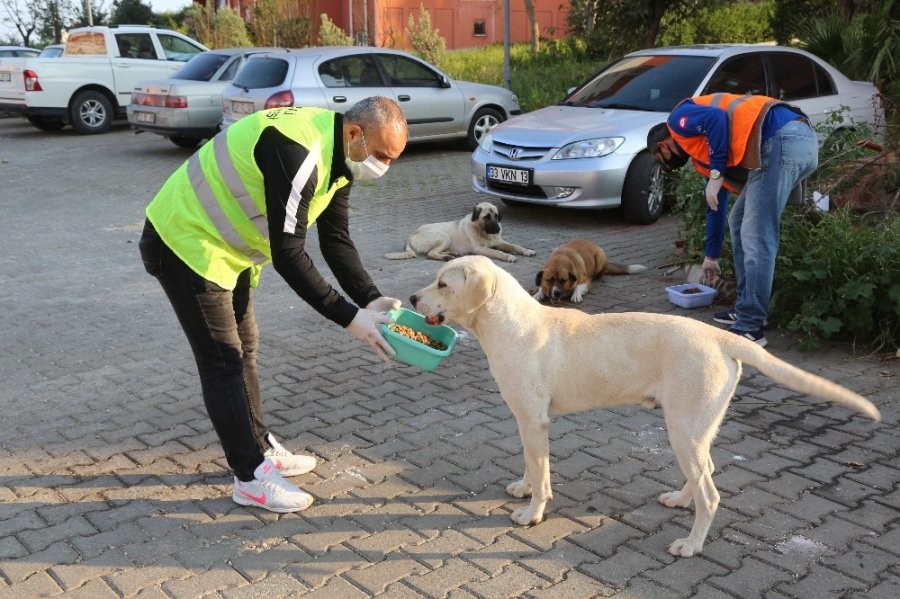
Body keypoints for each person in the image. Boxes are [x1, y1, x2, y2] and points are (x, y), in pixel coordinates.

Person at [139, 97, 409, 512]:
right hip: (184, 244)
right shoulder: (299, 151)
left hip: (227, 251)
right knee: (223, 360)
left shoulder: (342, 157)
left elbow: (335, 239)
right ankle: (248, 477)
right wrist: (350, 318)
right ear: (355, 133)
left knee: (246, 345)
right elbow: (289, 254)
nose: (385, 167)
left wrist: (370, 297)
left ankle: (260, 445)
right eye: (382, 155)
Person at [647, 93, 818, 347]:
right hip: (788, 141)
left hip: (782, 137)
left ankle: (751, 326)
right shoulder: (704, 150)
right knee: (738, 221)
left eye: (663, 161)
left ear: (662, 146)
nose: (671, 166)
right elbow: (716, 204)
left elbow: (716, 117)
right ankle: (746, 308)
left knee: (757, 235)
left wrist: (716, 174)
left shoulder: (678, 120)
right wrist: (711, 257)